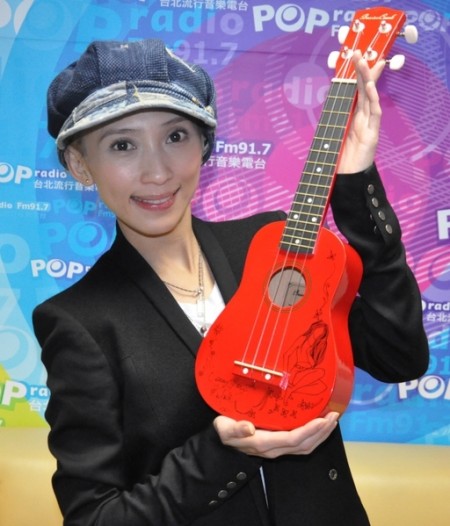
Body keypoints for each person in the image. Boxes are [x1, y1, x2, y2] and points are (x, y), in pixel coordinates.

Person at [33, 38, 429, 526]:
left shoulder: (271, 248)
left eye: (176, 136)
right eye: (122, 145)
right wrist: (223, 452)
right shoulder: (78, 320)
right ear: (80, 165)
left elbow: (398, 357)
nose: (157, 171)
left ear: (205, 144)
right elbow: (94, 517)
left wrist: (355, 186)